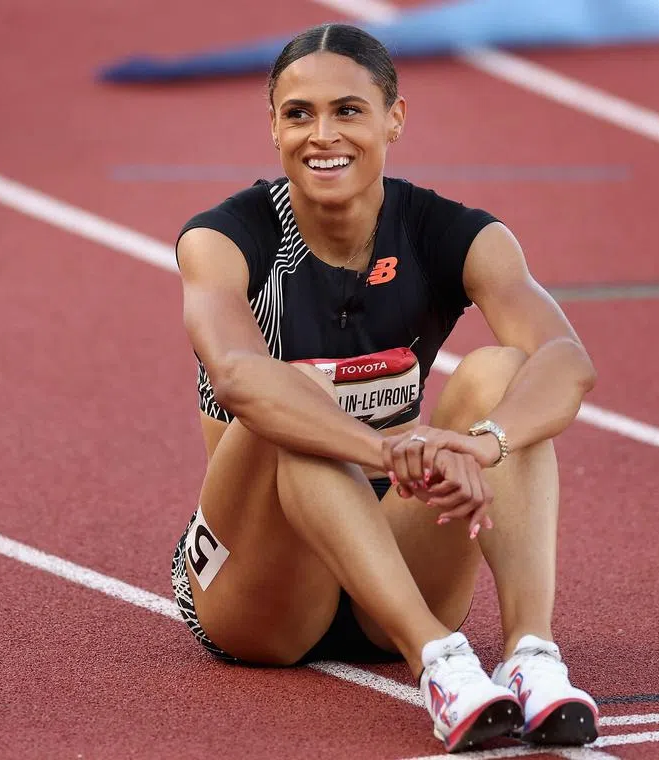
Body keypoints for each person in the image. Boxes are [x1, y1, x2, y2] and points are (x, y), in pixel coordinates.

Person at [170, 22, 601, 753]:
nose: (322, 135)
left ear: (394, 118)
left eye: (348, 110)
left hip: (397, 548)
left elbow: (566, 359)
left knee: (501, 372)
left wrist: (482, 445)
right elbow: (239, 378)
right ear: (273, 126)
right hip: (261, 583)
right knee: (291, 401)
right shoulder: (222, 239)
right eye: (298, 114)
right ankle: (440, 663)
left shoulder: (451, 233)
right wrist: (383, 448)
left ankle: (531, 654)